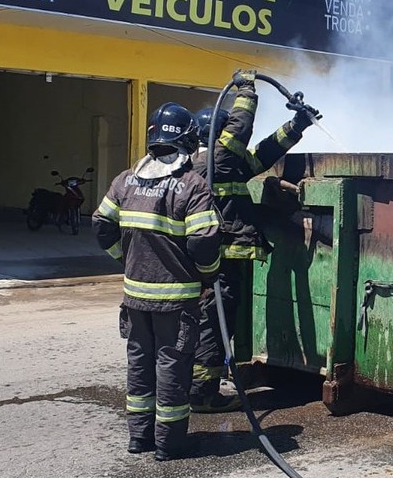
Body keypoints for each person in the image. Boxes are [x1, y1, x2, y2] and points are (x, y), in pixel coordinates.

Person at [92, 102, 221, 461]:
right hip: (176, 301)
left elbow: (101, 225)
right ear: (190, 140)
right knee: (172, 369)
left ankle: (139, 437)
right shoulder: (192, 185)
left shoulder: (125, 180)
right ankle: (169, 444)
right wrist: (208, 275)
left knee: (139, 364)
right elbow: (204, 243)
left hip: (134, 300)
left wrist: (125, 259)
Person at [189, 75, 320, 413]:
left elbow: (263, 154)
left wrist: (297, 124)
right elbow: (241, 129)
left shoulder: (223, 163)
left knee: (214, 321)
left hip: (219, 259)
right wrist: (246, 90)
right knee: (213, 322)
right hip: (216, 260)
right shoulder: (213, 161)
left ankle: (197, 385)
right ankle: (202, 393)